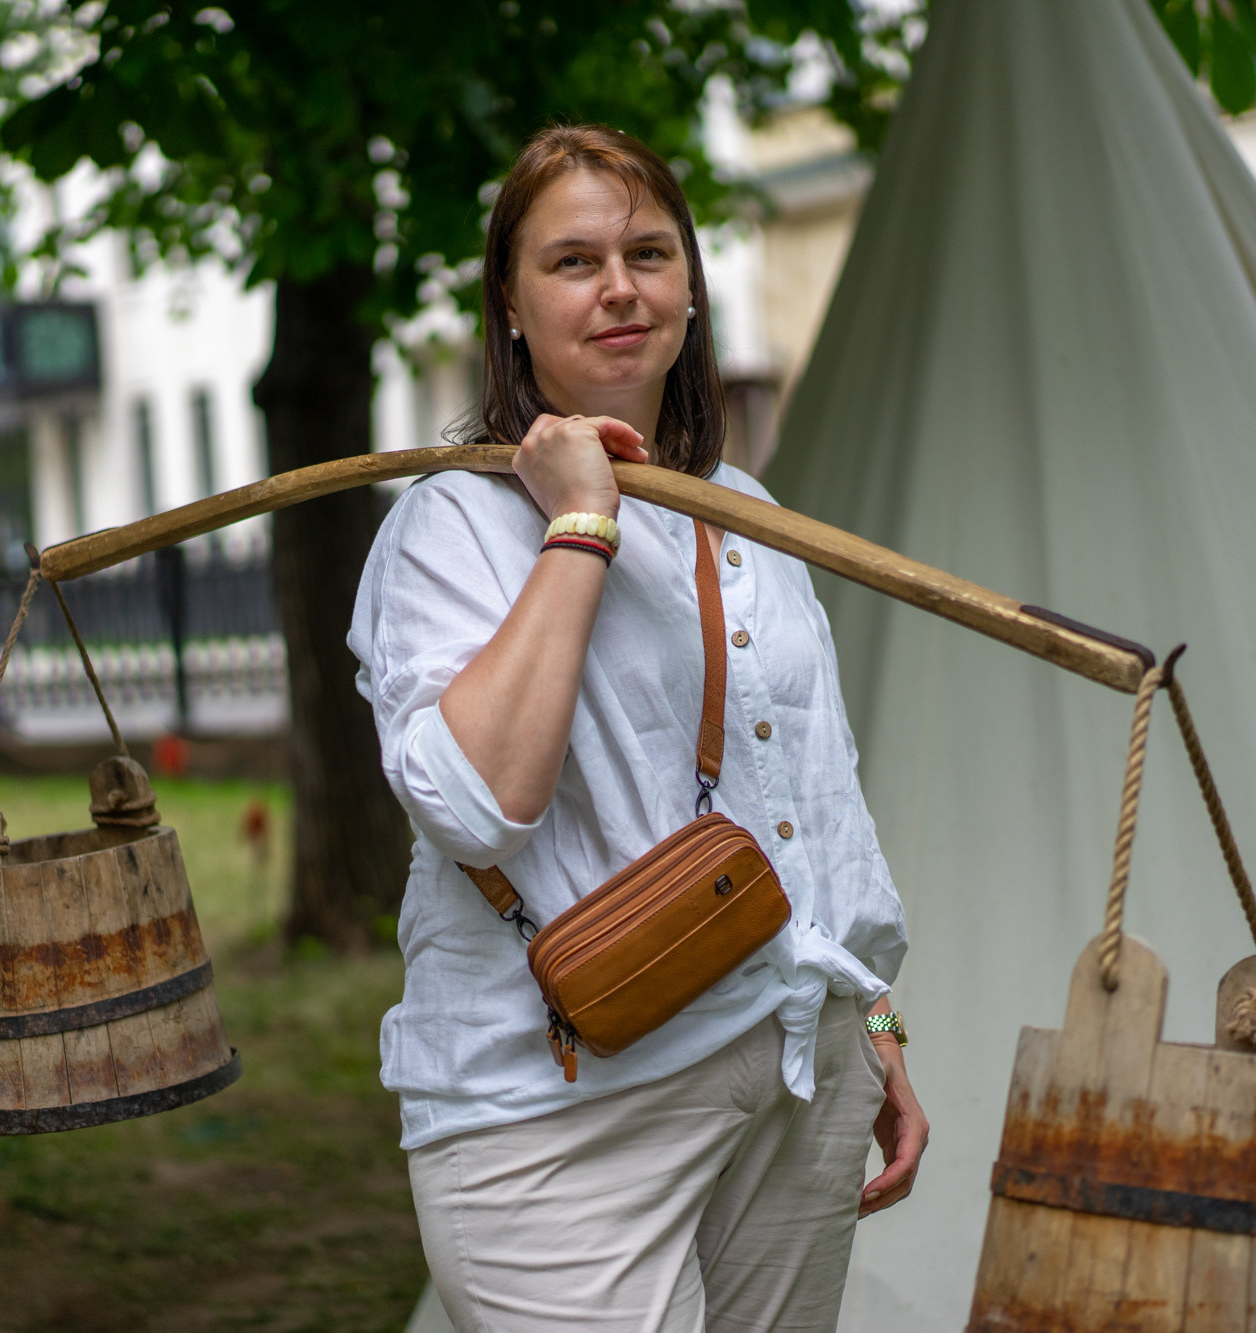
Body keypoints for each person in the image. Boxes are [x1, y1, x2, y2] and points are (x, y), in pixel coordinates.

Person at [349, 124, 928, 1333]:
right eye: (571, 261)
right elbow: (470, 804)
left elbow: (816, 792)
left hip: (791, 1075)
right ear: (509, 305)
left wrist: (867, 1016)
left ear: (688, 287)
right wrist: (575, 523)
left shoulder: (749, 511)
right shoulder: (451, 524)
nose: (619, 287)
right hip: (551, 1110)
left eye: (648, 253)